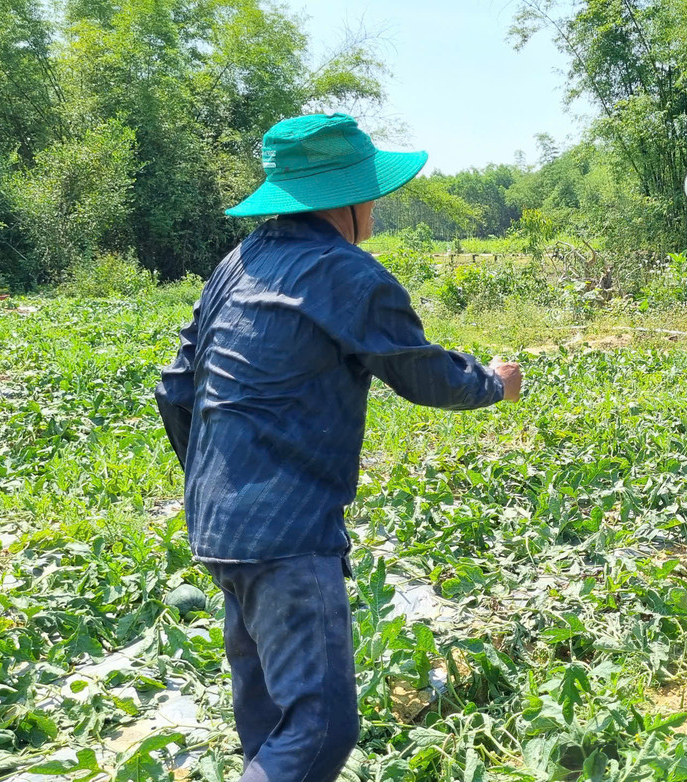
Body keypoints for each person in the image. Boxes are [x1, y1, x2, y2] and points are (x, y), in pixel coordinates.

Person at [154, 112, 522, 780]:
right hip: (288, 536)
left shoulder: (237, 263)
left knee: (268, 719)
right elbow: (425, 373)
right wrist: (495, 384)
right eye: (370, 192)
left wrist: (220, 489)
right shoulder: (346, 272)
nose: (375, 205)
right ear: (349, 199)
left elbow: (176, 388)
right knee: (321, 728)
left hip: (216, 525)